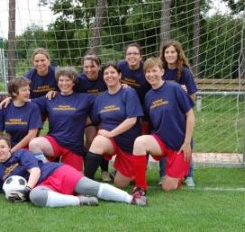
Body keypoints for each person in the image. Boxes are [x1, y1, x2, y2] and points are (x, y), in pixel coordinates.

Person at [0, 134, 146, 207]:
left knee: (90, 185)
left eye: (2, 146)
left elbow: (35, 171)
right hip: (43, 187)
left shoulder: (21, 154)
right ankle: (79, 201)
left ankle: (131, 199)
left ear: (9, 147)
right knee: (37, 198)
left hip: (55, 172)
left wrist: (26, 189)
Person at [131, 57, 195, 204]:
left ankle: (181, 174)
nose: (151, 74)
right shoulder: (148, 96)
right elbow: (147, 124)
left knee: (167, 187)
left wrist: (187, 143)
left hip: (179, 145)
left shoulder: (174, 88)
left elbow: (190, 115)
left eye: (154, 70)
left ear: (162, 71)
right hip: (160, 142)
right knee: (139, 142)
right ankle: (140, 187)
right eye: (147, 71)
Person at [84, 61, 144, 190]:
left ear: (119, 75)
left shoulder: (129, 92)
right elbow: (93, 119)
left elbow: (132, 120)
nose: (109, 75)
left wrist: (111, 133)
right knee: (98, 141)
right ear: (103, 77)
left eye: (112, 72)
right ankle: (85, 185)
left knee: (120, 184)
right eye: (106, 73)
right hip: (110, 141)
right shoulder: (100, 98)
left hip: (128, 144)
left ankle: (122, 171)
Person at [28, 66, 95, 171]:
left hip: (74, 146)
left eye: (68, 80)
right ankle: (47, 168)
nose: (64, 83)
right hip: (55, 141)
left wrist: (121, 86)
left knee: (72, 183)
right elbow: (28, 102)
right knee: (34, 144)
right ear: (57, 82)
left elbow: (105, 99)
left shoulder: (85, 98)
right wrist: (12, 98)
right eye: (61, 80)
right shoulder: (50, 98)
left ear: (73, 82)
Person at [159, 40, 198, 187]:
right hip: (164, 114)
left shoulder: (184, 71)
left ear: (178, 53)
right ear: (163, 54)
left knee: (186, 142)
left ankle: (189, 175)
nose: (170, 55)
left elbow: (193, 94)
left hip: (181, 115)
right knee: (164, 142)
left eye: (172, 52)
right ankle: (163, 174)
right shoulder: (161, 70)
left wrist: (184, 98)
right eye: (167, 52)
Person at [76, 54, 111, 182]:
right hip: (88, 116)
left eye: (92, 66)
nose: (89, 70)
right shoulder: (79, 80)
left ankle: (105, 171)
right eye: (86, 67)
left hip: (105, 114)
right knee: (90, 140)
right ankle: (88, 171)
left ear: (99, 67)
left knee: (103, 140)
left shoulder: (106, 77)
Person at [0, 77, 42, 152]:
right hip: (9, 147)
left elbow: (31, 135)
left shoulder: (33, 108)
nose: (28, 92)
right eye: (24, 90)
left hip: (28, 148)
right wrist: (0, 148)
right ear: (14, 93)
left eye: (28, 89)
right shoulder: (4, 107)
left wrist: (12, 151)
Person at [118, 42, 151, 134]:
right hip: (125, 105)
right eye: (129, 54)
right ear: (125, 56)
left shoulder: (146, 69)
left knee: (143, 133)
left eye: (135, 53)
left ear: (141, 57)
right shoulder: (120, 66)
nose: (132, 56)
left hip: (144, 104)